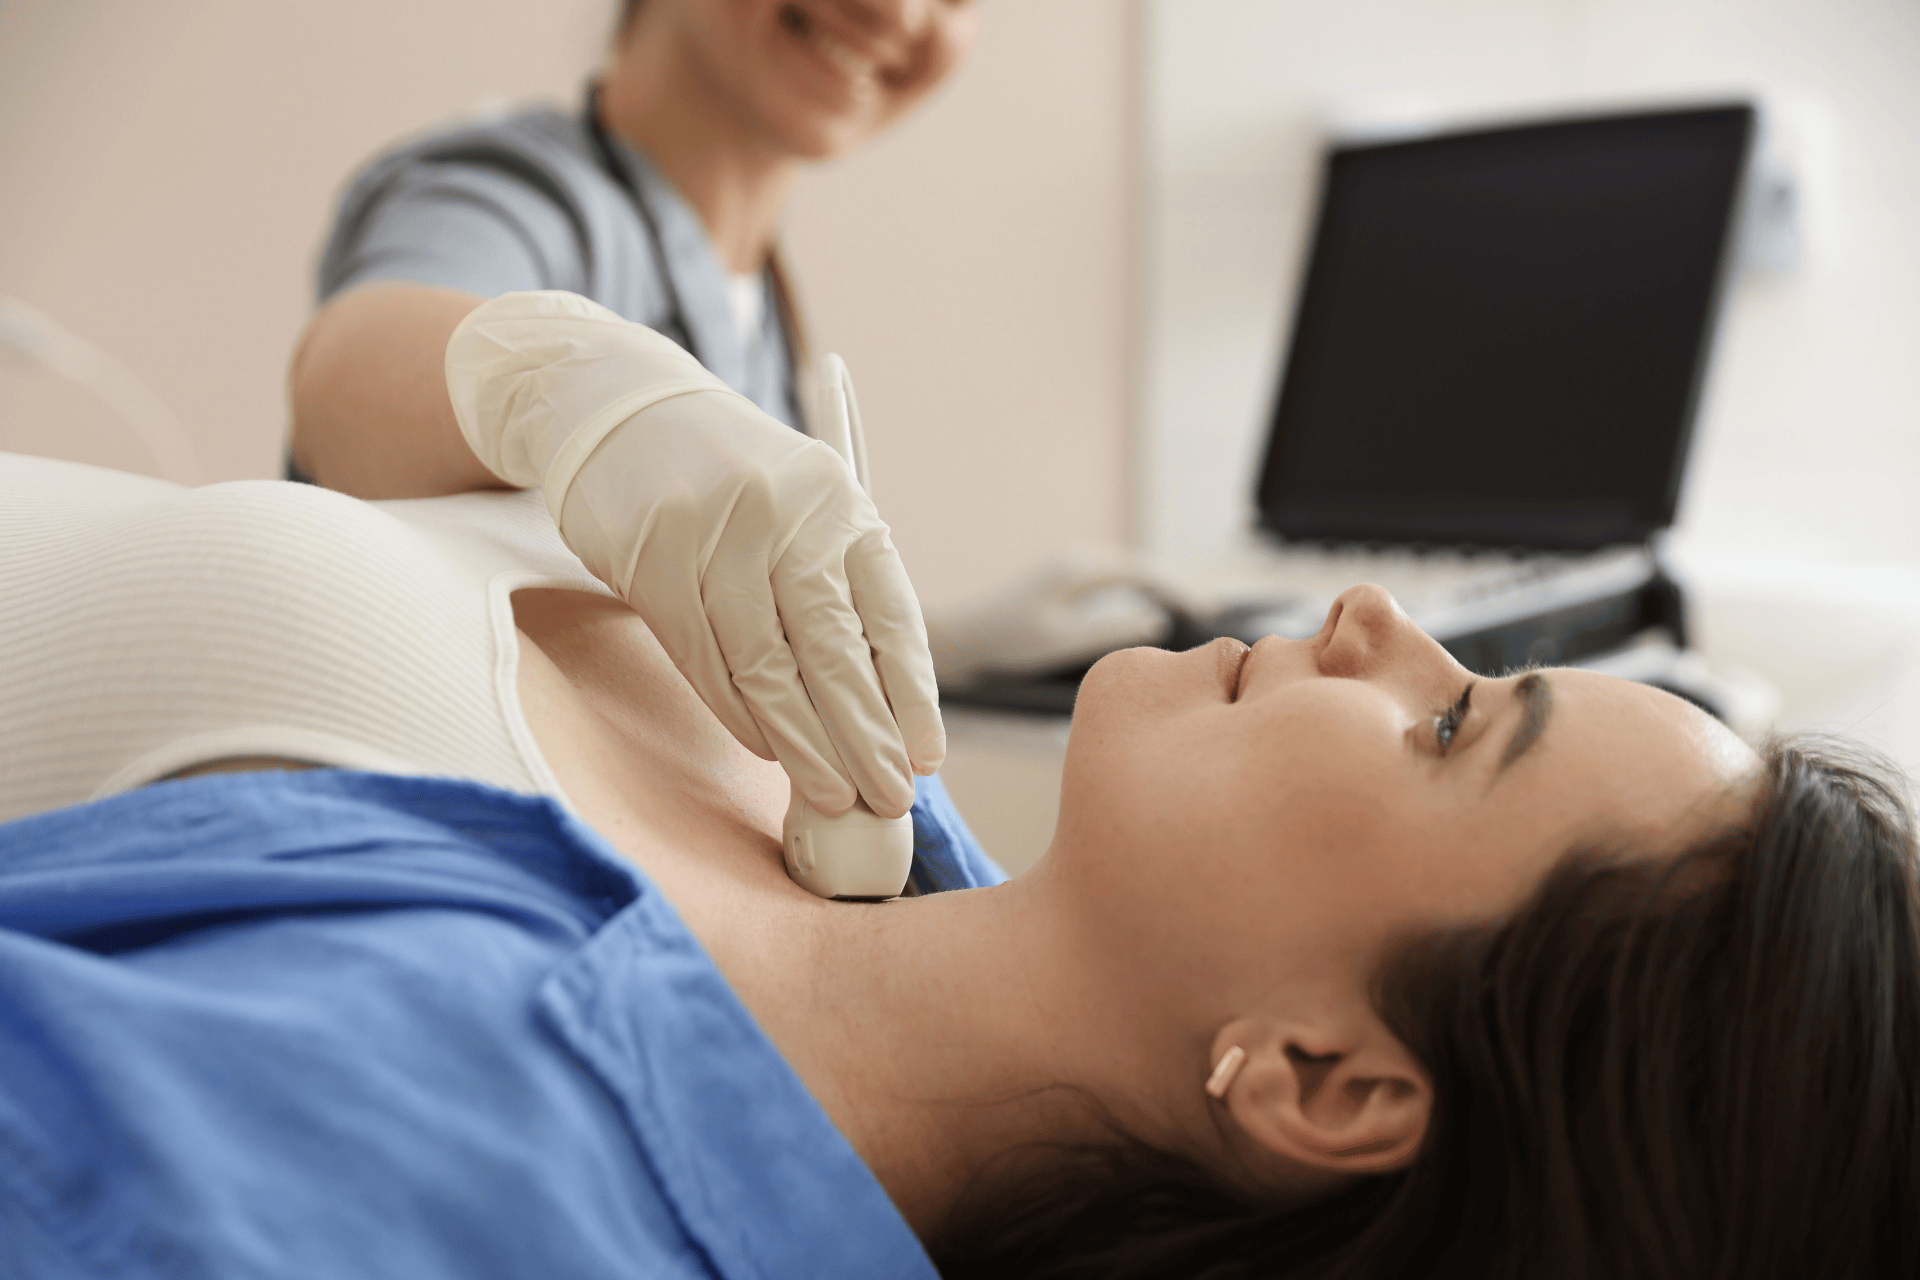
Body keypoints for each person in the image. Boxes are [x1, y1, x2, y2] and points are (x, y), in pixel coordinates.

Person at [2, 447, 1917, 1278]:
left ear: (1328, 1078)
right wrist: (548, 379)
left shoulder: (459, 1184)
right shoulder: (904, 842)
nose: (1365, 621)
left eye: (1449, 728)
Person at [285, 0, 980, 832]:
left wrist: (948, 652)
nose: (898, 10)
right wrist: (570, 387)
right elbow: (345, 371)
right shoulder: (510, 193)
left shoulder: (761, 309)